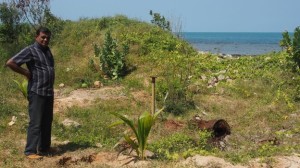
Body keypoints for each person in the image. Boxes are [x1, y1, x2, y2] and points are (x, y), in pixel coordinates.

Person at [6, 27, 55, 159]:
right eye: (43, 37)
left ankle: (44, 148)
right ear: (36, 37)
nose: (45, 40)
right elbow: (11, 63)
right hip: (37, 91)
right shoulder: (30, 50)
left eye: (47, 38)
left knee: (47, 121)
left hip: (48, 91)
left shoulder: (47, 50)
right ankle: (30, 151)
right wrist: (26, 72)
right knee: (36, 122)